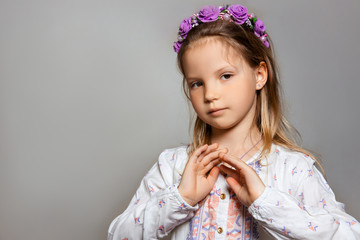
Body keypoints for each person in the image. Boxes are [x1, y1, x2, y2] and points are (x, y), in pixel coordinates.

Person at [108, 4, 360, 239]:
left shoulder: (292, 169)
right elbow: (118, 234)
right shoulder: (172, 166)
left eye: (225, 76)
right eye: (197, 83)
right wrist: (180, 198)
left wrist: (265, 201)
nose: (210, 94)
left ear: (260, 75)